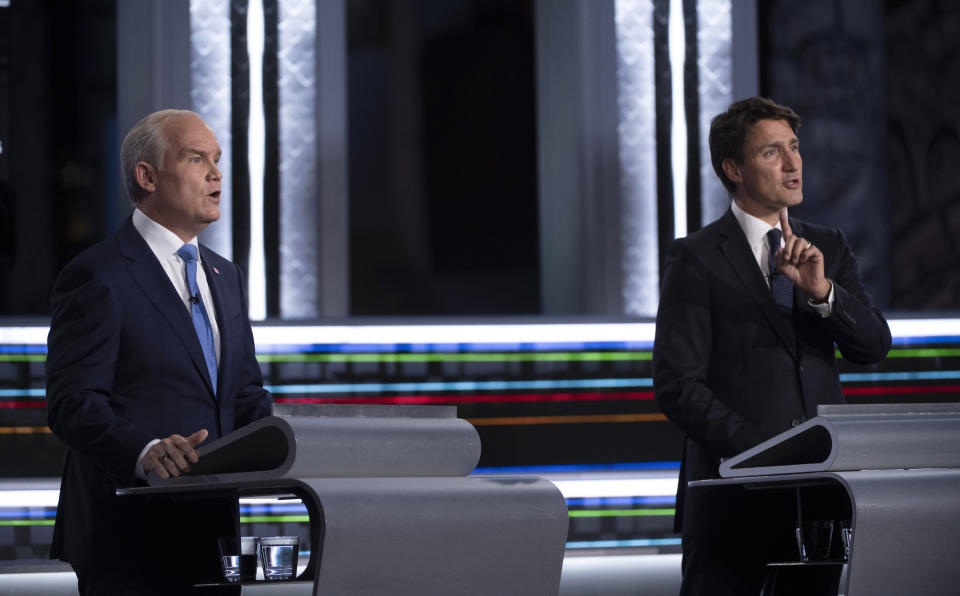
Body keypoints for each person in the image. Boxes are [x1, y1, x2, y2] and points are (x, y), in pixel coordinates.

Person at [653, 97, 891, 595]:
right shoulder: (695, 257)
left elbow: (874, 345)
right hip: (729, 502)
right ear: (734, 168)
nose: (793, 163)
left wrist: (824, 294)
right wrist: (763, 452)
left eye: (796, 147)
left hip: (819, 505)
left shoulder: (828, 245)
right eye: (772, 152)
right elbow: (677, 385)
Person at [46, 109, 273, 595]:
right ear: (146, 176)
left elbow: (245, 394)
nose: (216, 174)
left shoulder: (225, 276)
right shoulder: (98, 275)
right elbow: (72, 405)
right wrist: (145, 451)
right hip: (128, 537)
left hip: (213, 538)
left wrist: (300, 440)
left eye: (216, 159)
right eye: (196, 159)